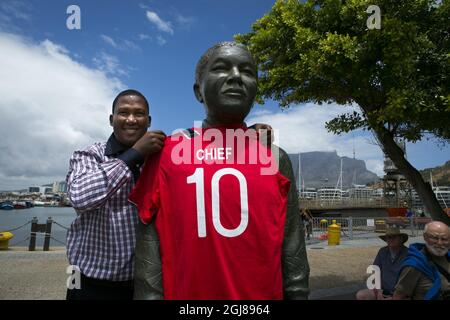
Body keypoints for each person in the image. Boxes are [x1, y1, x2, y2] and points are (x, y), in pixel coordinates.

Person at [130, 42, 310, 300]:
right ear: (198, 91)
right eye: (222, 68)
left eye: (247, 71)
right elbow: (149, 254)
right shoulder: (165, 154)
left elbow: (293, 250)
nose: (236, 77)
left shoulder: (275, 157)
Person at [65, 89, 166, 300]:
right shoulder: (90, 154)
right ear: (112, 120)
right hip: (86, 279)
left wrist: (247, 135)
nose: (131, 119)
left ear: (148, 121)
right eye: (123, 113)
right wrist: (134, 154)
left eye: (138, 113)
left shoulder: (160, 157)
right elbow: (79, 197)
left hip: (146, 282)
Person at [393, 221, 450, 300]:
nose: (439, 243)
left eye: (444, 239)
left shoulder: (448, 258)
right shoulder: (415, 265)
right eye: (434, 238)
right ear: (425, 237)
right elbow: (398, 296)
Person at [356, 227, 409, 300]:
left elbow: (408, 281)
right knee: (361, 295)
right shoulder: (382, 251)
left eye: (394, 237)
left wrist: (394, 296)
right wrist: (379, 291)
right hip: (383, 290)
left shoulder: (407, 254)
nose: (390, 239)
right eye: (388, 237)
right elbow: (376, 271)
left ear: (400, 239)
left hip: (400, 293)